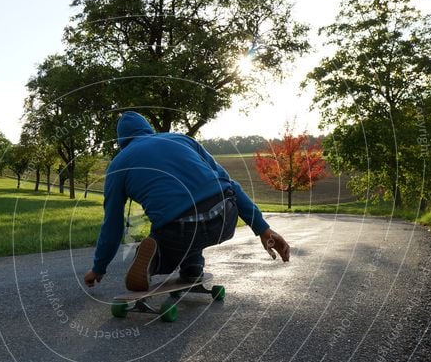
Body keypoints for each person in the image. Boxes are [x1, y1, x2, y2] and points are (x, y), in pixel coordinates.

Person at [83, 111, 290, 291]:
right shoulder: (182, 139)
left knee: (178, 227)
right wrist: (263, 229)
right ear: (149, 130)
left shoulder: (118, 164)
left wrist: (99, 268)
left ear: (121, 143)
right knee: (198, 206)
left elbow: (113, 224)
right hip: (224, 217)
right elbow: (230, 184)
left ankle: (153, 262)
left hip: (178, 230)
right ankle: (192, 268)